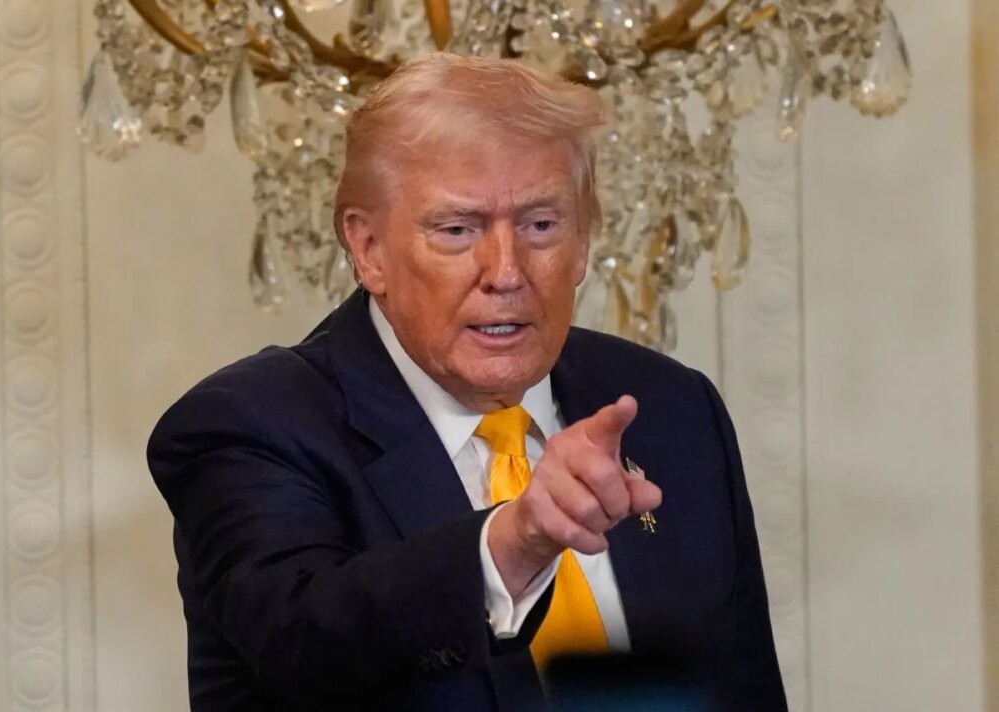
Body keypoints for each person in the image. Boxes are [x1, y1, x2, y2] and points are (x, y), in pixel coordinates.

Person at [147, 53, 787, 711]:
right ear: (368, 250)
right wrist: (514, 542)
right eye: (457, 230)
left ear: (585, 240)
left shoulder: (673, 407)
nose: (506, 272)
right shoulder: (250, 425)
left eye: (541, 224)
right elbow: (306, 642)